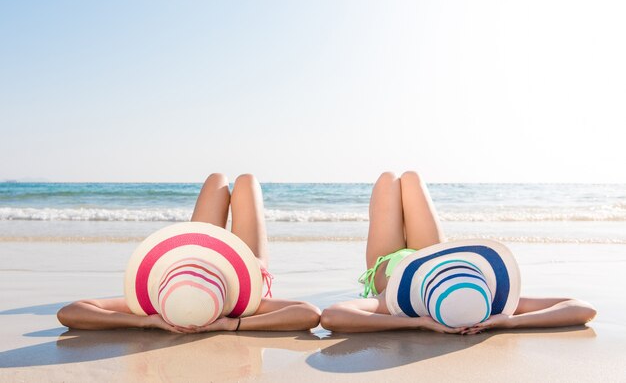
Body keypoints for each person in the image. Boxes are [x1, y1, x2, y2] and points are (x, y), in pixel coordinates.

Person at [320, 171, 597, 334]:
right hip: (435, 254)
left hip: (389, 270)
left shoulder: (395, 305)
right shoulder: (491, 302)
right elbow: (583, 308)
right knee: (411, 178)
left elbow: (332, 316)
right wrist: (508, 321)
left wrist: (417, 324)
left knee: (389, 180)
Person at [57, 173, 320, 333]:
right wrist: (233, 325)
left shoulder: (157, 306)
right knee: (246, 181)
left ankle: (222, 182)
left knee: (217, 179)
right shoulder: (242, 309)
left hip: (187, 264)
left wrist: (146, 322)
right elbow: (309, 313)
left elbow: (70, 312)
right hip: (245, 272)